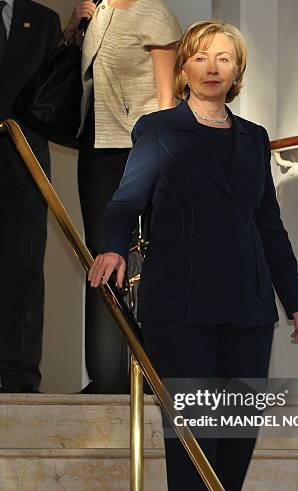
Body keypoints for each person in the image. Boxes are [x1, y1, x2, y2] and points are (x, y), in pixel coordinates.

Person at [89, 20, 298, 491]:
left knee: (237, 428)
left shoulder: (254, 137)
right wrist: (111, 245)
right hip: (179, 303)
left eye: (225, 59)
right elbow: (126, 200)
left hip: (246, 298)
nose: (214, 67)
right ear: (184, 67)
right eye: (202, 57)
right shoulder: (159, 129)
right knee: (193, 431)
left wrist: (295, 296)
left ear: (237, 72)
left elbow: (268, 223)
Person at [65, 0, 182, 393]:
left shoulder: (154, 13)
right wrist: (73, 27)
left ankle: (150, 375)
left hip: (141, 150)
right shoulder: (97, 11)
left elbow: (168, 101)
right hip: (96, 150)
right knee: (99, 258)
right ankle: (105, 377)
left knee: (144, 261)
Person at [0, 0, 62, 393]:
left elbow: (54, 92)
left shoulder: (44, 20)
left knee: (22, 269)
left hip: (24, 163)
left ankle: (19, 377)